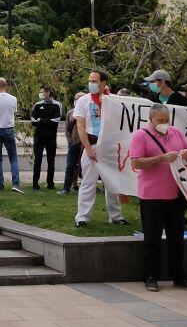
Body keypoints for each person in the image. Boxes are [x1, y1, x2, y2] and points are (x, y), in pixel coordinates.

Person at [128, 102, 187, 293]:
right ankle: (150, 275)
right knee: (152, 238)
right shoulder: (140, 135)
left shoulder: (176, 133)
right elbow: (136, 163)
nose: (164, 124)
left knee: (176, 238)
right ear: (150, 120)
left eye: (166, 120)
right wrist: (161, 158)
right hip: (151, 195)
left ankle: (179, 275)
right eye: (160, 121)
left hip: (175, 194)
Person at [74, 71, 126, 227]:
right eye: (89, 80)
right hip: (92, 144)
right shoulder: (83, 101)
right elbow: (80, 126)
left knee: (112, 183)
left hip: (109, 146)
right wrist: (88, 148)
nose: (91, 83)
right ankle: (82, 217)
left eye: (94, 81)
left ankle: (116, 216)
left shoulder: (113, 101)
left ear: (103, 83)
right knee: (88, 182)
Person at [0, 78, 22, 193]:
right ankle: (16, 183)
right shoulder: (13, 99)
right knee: (13, 157)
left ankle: (0, 184)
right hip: (8, 128)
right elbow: (14, 113)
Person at [30, 86, 63, 190]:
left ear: (48, 92)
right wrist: (46, 121)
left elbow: (55, 121)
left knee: (51, 160)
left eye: (43, 92)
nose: (41, 94)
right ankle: (35, 184)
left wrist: (41, 120)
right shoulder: (37, 105)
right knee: (38, 160)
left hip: (51, 137)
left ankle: (50, 183)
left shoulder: (57, 105)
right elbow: (33, 121)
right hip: (38, 137)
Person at [59, 92, 85, 195]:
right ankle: (66, 188)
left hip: (85, 144)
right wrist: (69, 141)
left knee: (84, 167)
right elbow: (67, 129)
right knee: (70, 166)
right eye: (76, 98)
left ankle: (84, 188)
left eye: (79, 99)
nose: (77, 100)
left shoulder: (89, 113)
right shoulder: (70, 113)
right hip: (73, 143)